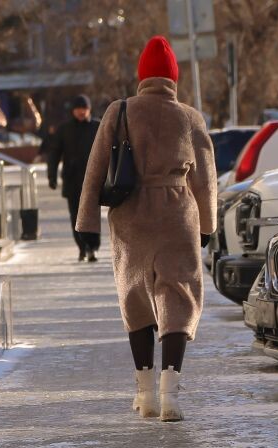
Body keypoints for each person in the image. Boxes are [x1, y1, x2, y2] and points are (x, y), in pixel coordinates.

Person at [76, 36, 216, 422]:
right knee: (178, 299)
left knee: (135, 299)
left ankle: (145, 395)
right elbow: (205, 179)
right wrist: (207, 225)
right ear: (174, 77)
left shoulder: (119, 111)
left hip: (131, 216)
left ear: (141, 76)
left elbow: (94, 170)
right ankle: (171, 395)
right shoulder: (190, 117)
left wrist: (86, 221)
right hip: (177, 215)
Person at [46, 95, 101, 262]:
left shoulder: (97, 127)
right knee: (76, 216)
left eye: (84, 109)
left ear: (89, 109)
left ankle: (92, 247)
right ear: (73, 111)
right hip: (72, 180)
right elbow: (54, 153)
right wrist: (52, 176)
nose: (81, 112)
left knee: (92, 215)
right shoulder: (64, 129)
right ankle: (82, 248)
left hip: (93, 180)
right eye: (78, 109)